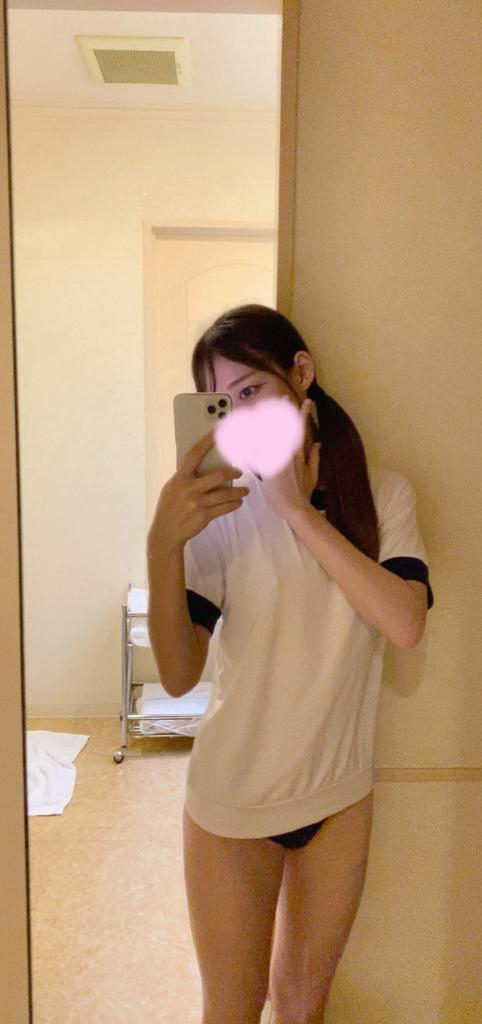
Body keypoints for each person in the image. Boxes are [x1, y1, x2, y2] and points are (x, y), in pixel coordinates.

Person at [147, 304, 434, 1024]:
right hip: (233, 803)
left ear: (301, 373)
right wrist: (162, 547)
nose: (242, 416)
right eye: (223, 402)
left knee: (304, 1008)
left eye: (252, 390)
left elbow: (404, 623)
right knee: (233, 1010)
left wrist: (299, 513)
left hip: (337, 797)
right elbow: (178, 676)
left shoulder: (384, 495)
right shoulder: (221, 517)